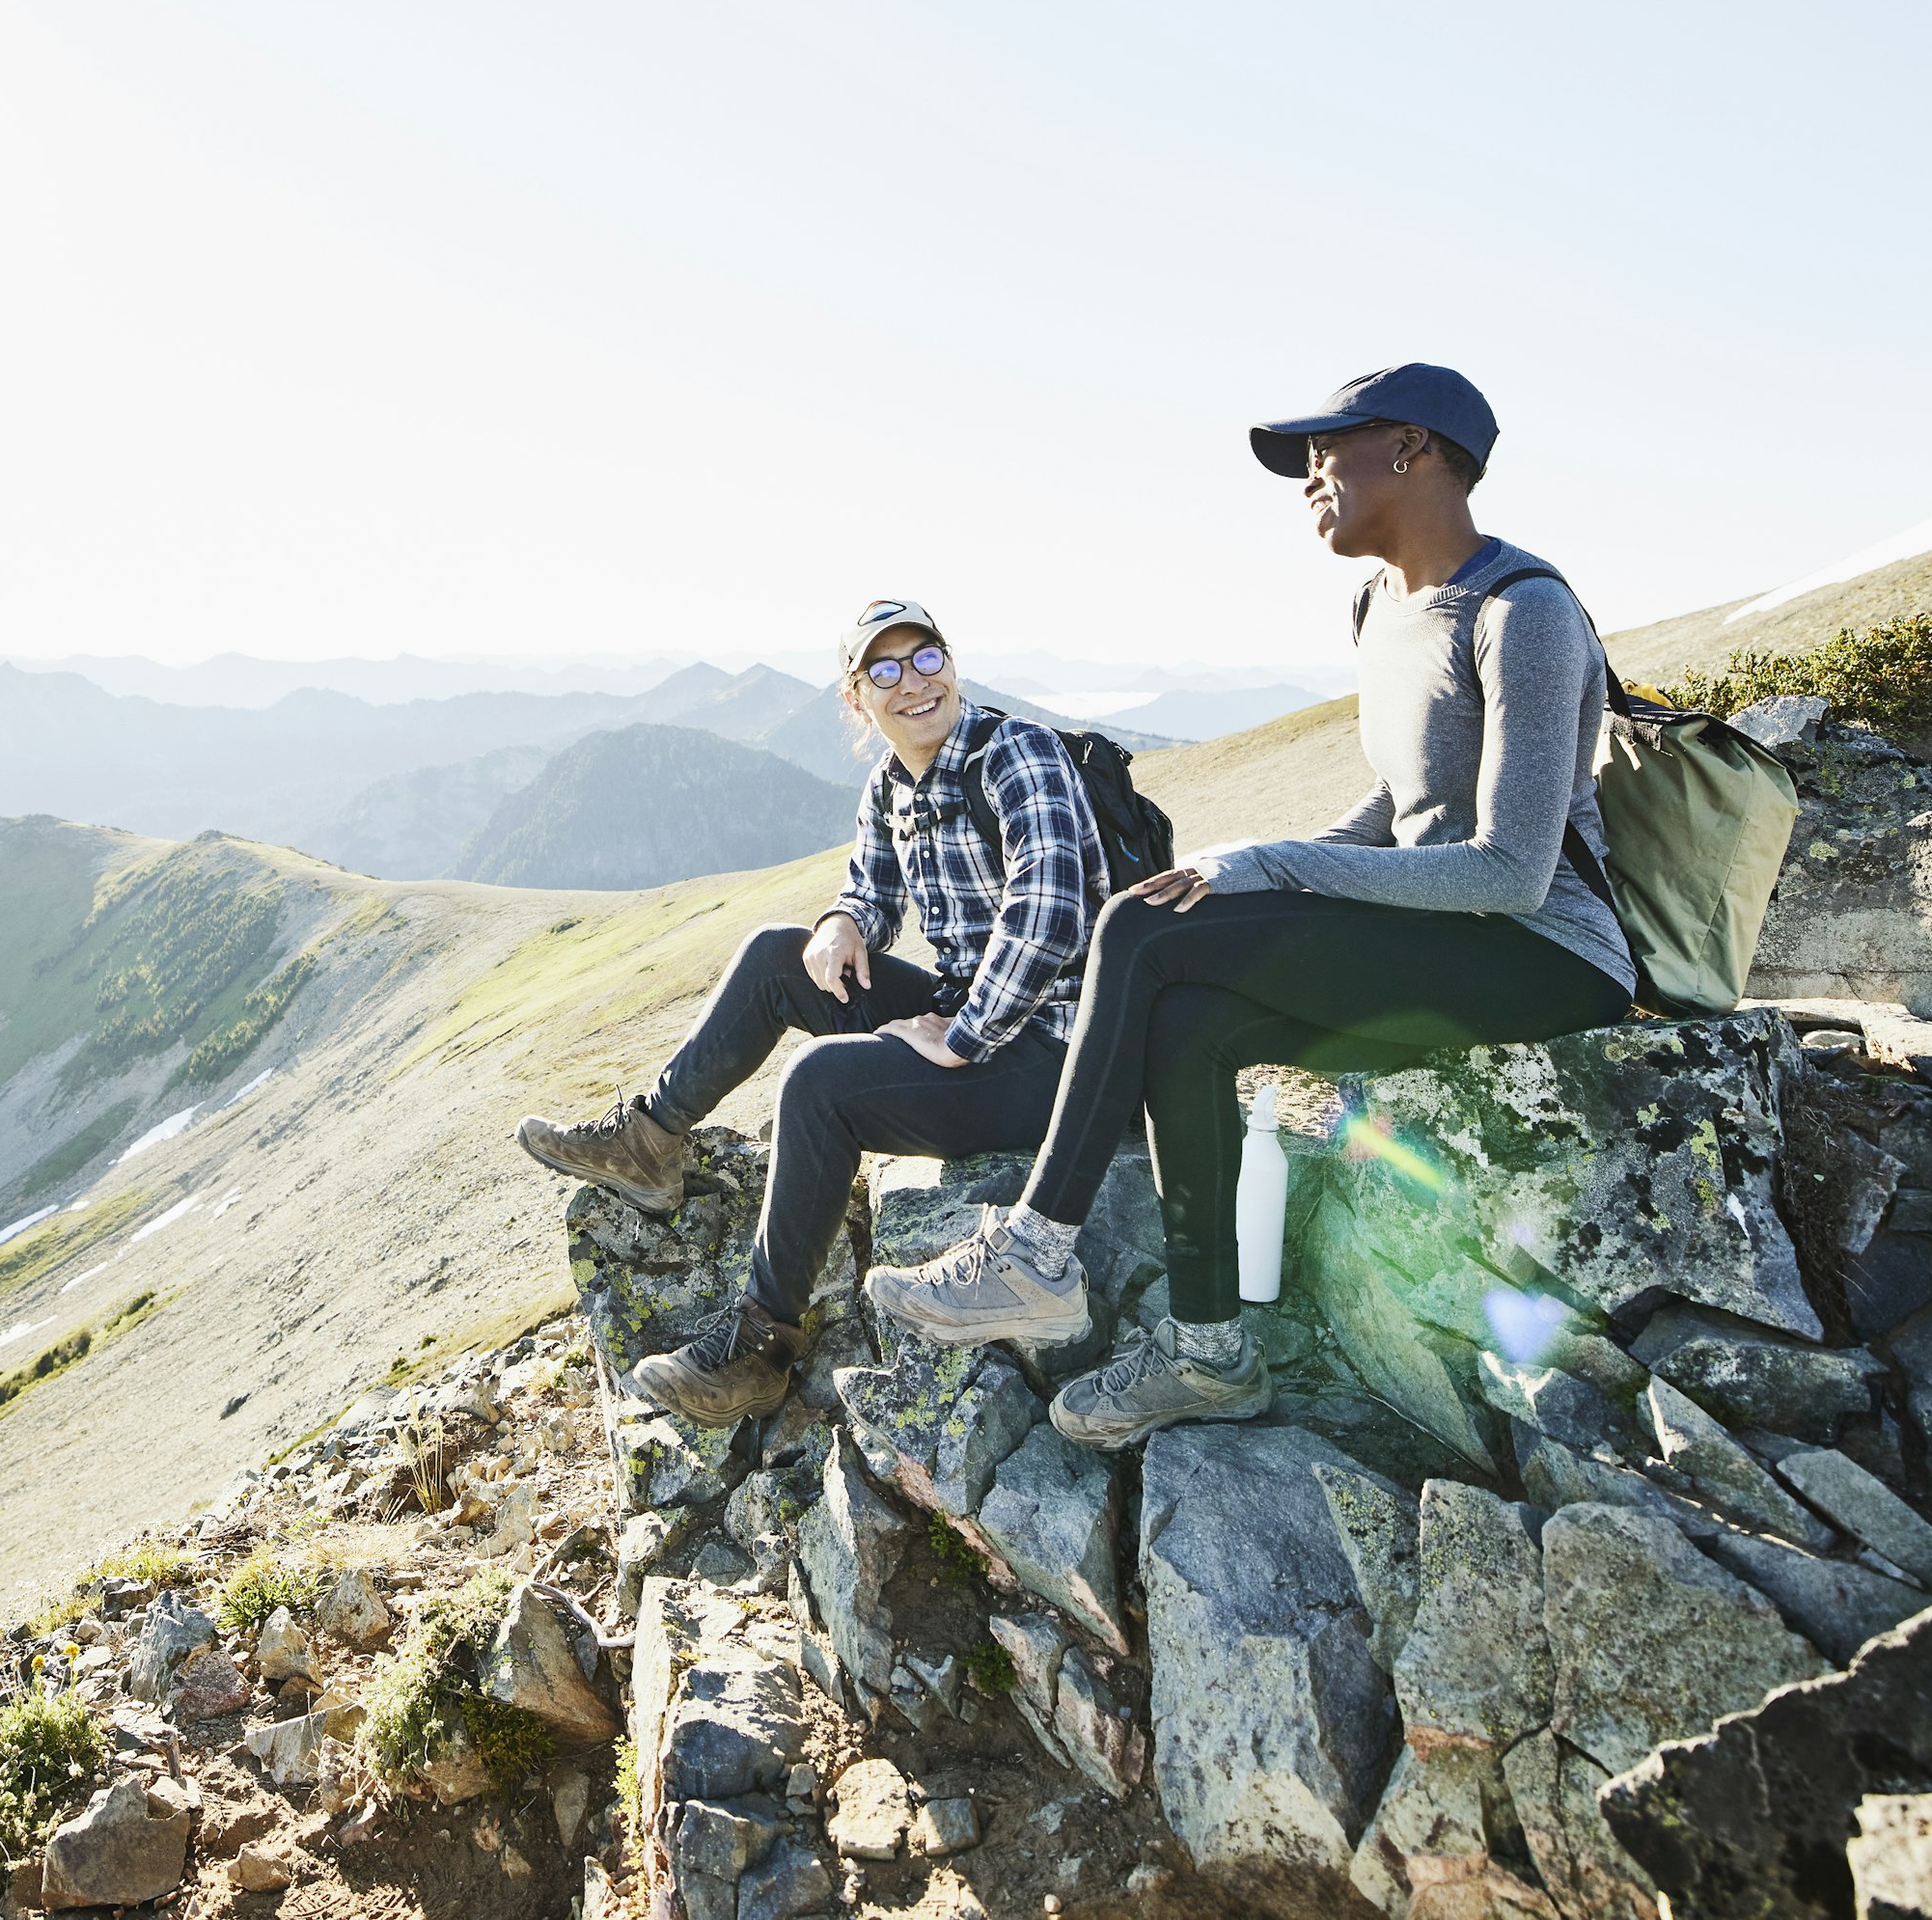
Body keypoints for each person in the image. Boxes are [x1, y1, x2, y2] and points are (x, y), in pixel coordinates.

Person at [865, 363, 1637, 1447]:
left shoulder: (1527, 611)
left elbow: (1509, 868)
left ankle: (1035, 1253)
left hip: (1542, 949)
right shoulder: (1377, 606)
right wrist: (1240, 864)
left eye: (1329, 450)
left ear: (1413, 449)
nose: (1309, 476)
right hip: (1431, 932)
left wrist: (1275, 869)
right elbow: (1399, 801)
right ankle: (1211, 1354)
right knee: (1184, 1010)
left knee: (1134, 930)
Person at [511, 598, 1103, 1426]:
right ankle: (649, 1142)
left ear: (953, 663)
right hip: (971, 1015)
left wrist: (962, 1039)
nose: (913, 683)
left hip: (1058, 1054)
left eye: (926, 657)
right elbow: (870, 889)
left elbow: (1051, 914)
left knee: (819, 1084)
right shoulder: (893, 784)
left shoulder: (1018, 755)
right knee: (774, 956)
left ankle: (762, 1345)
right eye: (884, 671)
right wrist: (842, 922)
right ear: (857, 699)